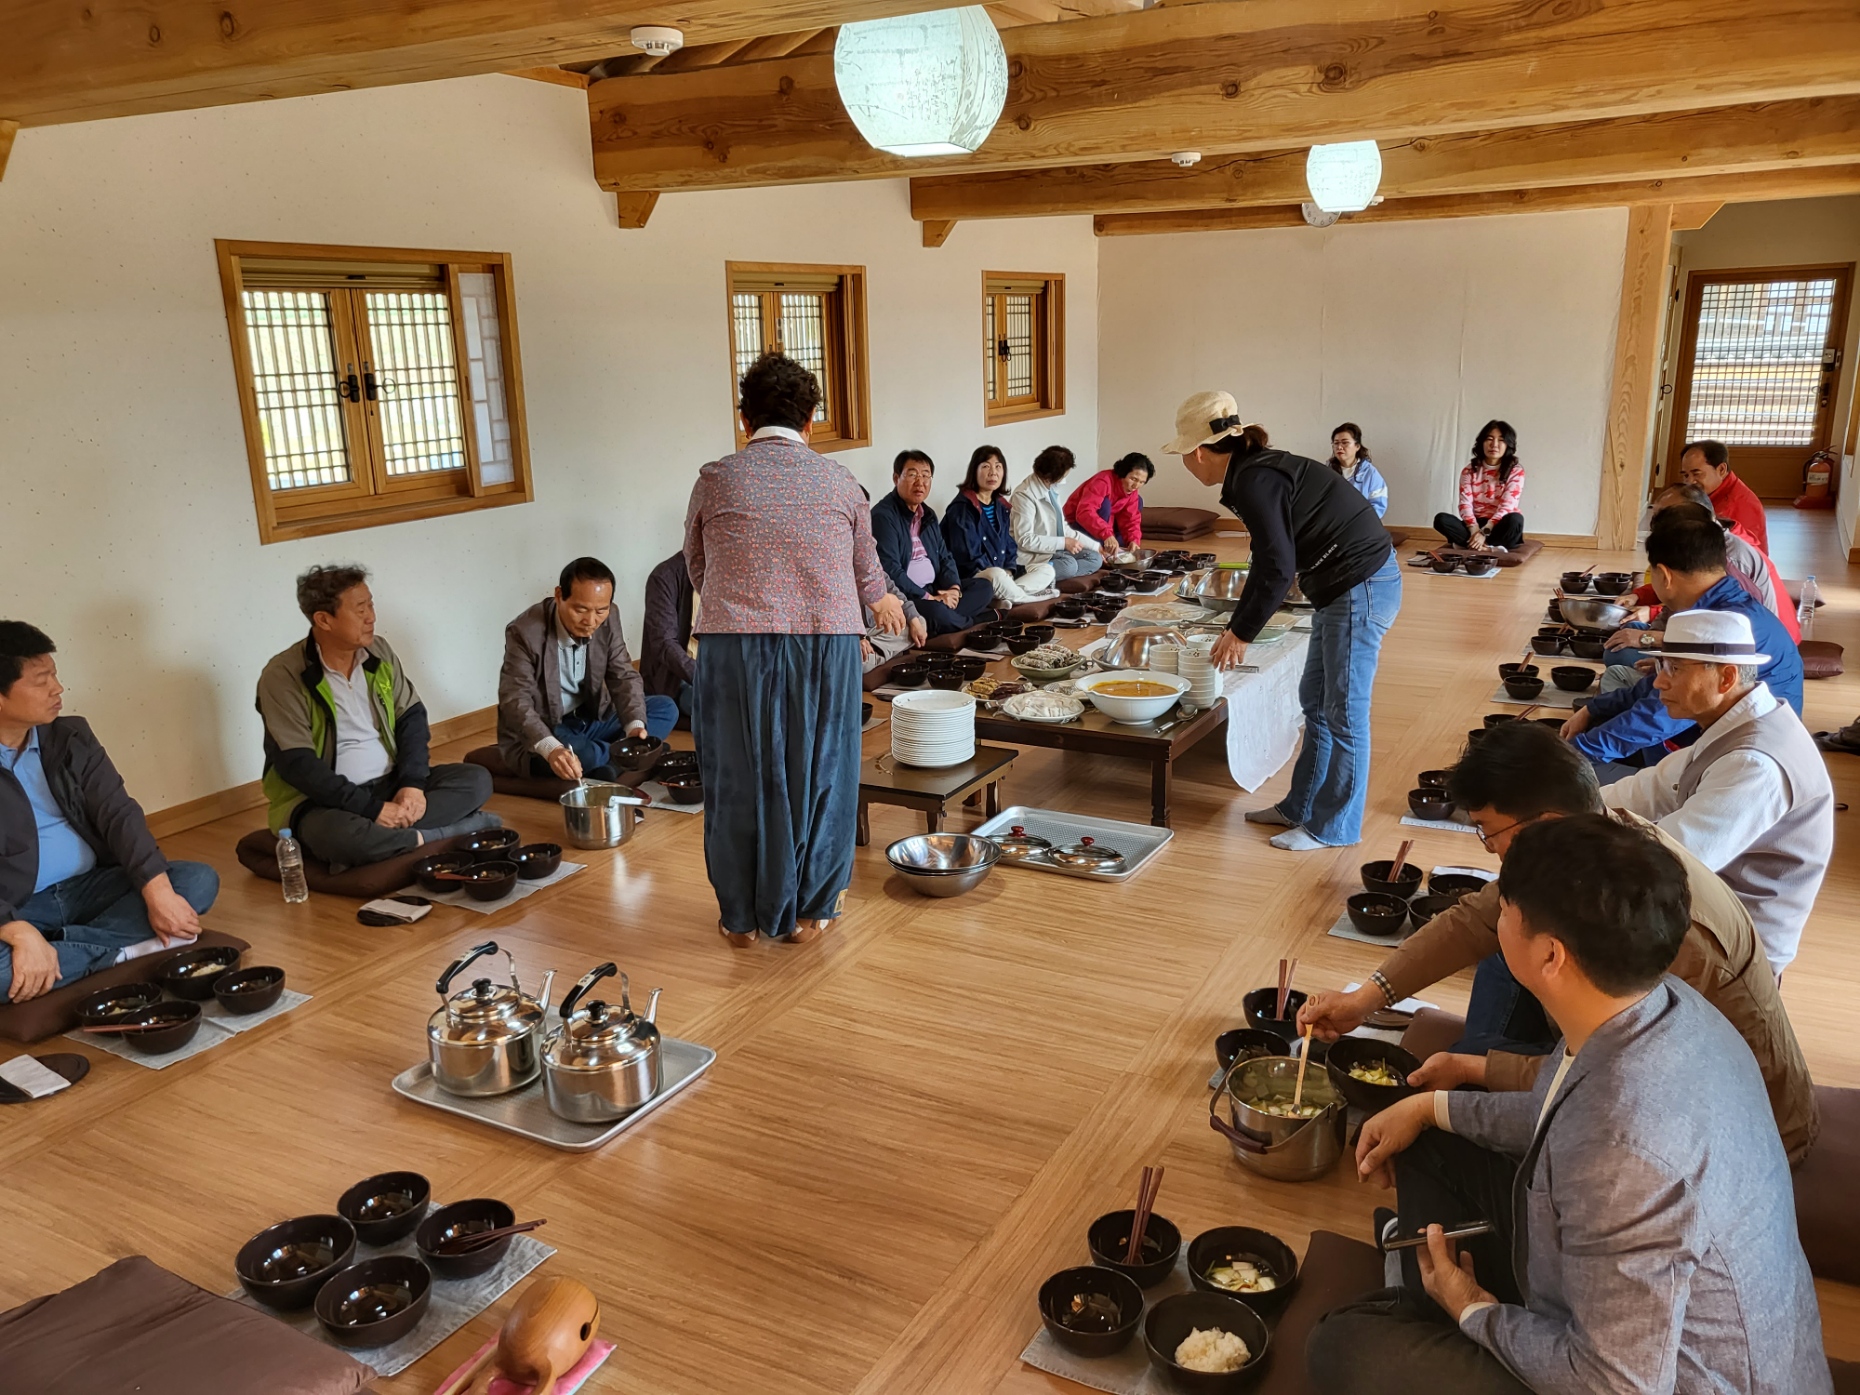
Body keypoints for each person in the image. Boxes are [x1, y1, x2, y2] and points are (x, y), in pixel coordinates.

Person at [1308, 816, 1831, 1395]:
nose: (1494, 918)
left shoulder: (1625, 1155)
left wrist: (1475, 1312)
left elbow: (1618, 1384)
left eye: (1504, 907)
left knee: (1342, 1345)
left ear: (1551, 956)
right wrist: (1430, 1107)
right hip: (1615, 1313)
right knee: (1429, 1136)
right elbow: (1555, 1110)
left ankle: (1439, 1310)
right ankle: (1432, 1302)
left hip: (1660, 1379)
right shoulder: (1658, 1001)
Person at [1297, 721, 1816, 1163]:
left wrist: (1472, 1071)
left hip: (1720, 1128)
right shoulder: (1587, 841)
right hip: (1631, 1061)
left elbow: (1619, 1076)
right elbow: (1475, 919)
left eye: (1487, 831)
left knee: (1447, 1144)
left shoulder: (1664, 931)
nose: (1489, 847)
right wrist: (1364, 1000)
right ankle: (1483, 1059)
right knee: (1506, 940)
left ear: (1540, 823)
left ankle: (1479, 1063)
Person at [684, 352, 902, 946]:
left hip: (732, 646)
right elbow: (867, 572)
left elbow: (697, 566)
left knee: (736, 775)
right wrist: (880, 605)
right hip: (824, 644)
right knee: (824, 771)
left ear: (744, 419)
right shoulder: (841, 482)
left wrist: (746, 600)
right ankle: (812, 909)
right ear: (811, 421)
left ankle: (740, 917)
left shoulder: (716, 477)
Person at [1169, 392, 1399, 850]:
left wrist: (1240, 632)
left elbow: (1277, 565)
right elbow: (1268, 559)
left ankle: (1336, 827)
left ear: (1197, 453)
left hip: (1362, 585)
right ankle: (1300, 805)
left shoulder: (1256, 479)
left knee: (1344, 712)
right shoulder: (1254, 472)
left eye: (1182, 455)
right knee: (1315, 701)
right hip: (1343, 586)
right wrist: (1241, 623)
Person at [1604, 610, 1834, 976]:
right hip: (1705, 914)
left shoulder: (1754, 762)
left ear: (1726, 677)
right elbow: (1649, 789)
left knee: (1547, 928)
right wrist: (1561, 809)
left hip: (1733, 953)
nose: (1659, 683)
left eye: (1675, 669)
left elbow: (1669, 862)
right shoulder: (1738, 722)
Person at [0, 622, 219, 1003]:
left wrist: (158, 893)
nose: (58, 688)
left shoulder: (70, 735)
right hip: (18, 905)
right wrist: (16, 929)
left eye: (54, 674)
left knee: (195, 881)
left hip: (90, 887)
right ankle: (123, 951)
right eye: (41, 680)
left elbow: (119, 813)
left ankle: (65, 953)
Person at [257, 566, 498, 872]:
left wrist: (411, 786)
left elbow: (411, 718)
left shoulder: (378, 651)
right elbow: (298, 765)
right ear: (323, 619)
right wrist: (371, 810)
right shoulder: (283, 676)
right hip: (326, 801)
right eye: (360, 610)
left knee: (476, 780)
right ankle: (448, 833)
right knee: (342, 836)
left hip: (390, 783)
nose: (371, 617)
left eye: (371, 604)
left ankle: (392, 840)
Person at [1564, 518, 1802, 776]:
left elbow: (1658, 715)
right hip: (1717, 733)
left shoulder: (1720, 625)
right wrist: (1594, 708)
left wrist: (1575, 754)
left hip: (1736, 764)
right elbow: (1662, 684)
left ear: (1664, 575)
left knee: (1572, 775)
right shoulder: (1725, 603)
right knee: (1602, 721)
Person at [498, 557, 676, 784]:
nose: (590, 621)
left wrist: (634, 728)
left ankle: (611, 761)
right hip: (551, 725)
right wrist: (552, 749)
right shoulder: (525, 632)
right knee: (584, 754)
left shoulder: (610, 616)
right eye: (580, 610)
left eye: (600, 610)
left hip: (592, 717)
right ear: (559, 595)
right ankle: (621, 759)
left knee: (665, 708)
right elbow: (515, 700)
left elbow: (623, 675)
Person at [1612, 485, 1797, 642]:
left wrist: (1649, 636)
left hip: (1748, 650)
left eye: (1667, 516)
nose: (1657, 525)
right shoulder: (1698, 543)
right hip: (1712, 637)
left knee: (1627, 653)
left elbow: (1718, 638)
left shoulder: (1731, 558)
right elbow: (1681, 582)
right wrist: (1640, 597)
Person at [870, 450, 994, 636]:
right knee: (936, 611)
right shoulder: (883, 516)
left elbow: (945, 557)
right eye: (912, 475)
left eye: (926, 476)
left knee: (984, 587)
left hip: (935, 589)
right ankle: (975, 621)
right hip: (910, 597)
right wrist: (930, 598)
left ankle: (947, 621)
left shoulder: (927, 515)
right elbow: (891, 570)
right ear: (896, 478)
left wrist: (953, 589)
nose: (920, 482)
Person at [941, 446, 1057, 607]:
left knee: (1046, 570)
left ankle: (1006, 597)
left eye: (998, 466)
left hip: (1002, 574)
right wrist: (1001, 574)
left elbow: (1009, 545)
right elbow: (967, 555)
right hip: (974, 576)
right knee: (995, 574)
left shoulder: (1002, 506)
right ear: (974, 471)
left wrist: (1009, 570)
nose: (993, 472)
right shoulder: (962, 508)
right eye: (986, 466)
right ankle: (1027, 599)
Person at [1007, 445, 1103, 583]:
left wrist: (1097, 547)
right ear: (1050, 477)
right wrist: (1063, 543)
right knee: (1068, 566)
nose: (1064, 479)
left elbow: (1064, 529)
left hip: (1054, 551)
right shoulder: (1024, 495)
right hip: (1031, 556)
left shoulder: (1049, 489)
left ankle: (1048, 579)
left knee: (1094, 558)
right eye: (1064, 475)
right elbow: (1025, 540)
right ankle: (1031, 578)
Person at [1433, 420, 1524, 551]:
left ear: (1508, 445)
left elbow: (1507, 507)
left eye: (1501, 440)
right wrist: (1475, 531)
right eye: (1489, 439)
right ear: (1482, 442)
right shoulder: (1469, 470)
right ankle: (1489, 547)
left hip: (1500, 524)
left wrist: (1484, 533)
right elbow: (1465, 504)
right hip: (1474, 524)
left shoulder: (1516, 471)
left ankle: (1470, 545)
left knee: (1515, 519)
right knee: (1441, 519)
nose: (1494, 445)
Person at [1678, 438, 1768, 553]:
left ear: (1721, 469)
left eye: (1697, 474)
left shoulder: (1734, 506)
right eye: (1685, 475)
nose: (1690, 481)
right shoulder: (1713, 491)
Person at [640, 551, 697, 725]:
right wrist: (707, 677)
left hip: (717, 675)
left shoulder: (728, 572)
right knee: (729, 706)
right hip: (679, 680)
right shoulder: (665, 576)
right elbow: (665, 644)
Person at [1064, 452, 1150, 556]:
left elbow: (1131, 519)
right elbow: (1084, 513)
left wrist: (1133, 540)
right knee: (1105, 505)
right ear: (1123, 472)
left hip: (1104, 526)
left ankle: (1105, 547)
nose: (1136, 485)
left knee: (1138, 501)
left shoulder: (1132, 491)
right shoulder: (1102, 481)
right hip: (1077, 525)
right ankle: (1100, 548)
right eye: (1133, 479)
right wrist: (1107, 535)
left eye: (1142, 482)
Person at [1327, 422, 1389, 518]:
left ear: (1357, 446)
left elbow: (1378, 506)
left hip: (1360, 527)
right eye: (1336, 443)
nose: (1339, 447)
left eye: (1345, 442)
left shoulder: (1370, 474)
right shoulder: (1327, 472)